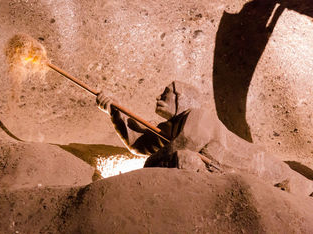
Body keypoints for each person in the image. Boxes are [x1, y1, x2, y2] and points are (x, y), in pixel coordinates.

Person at [97, 80, 313, 196]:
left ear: (182, 98)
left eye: (166, 93)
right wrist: (116, 112)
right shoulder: (173, 127)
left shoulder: (199, 116)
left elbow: (182, 146)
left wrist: (148, 165)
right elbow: (140, 145)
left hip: (268, 171)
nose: (158, 97)